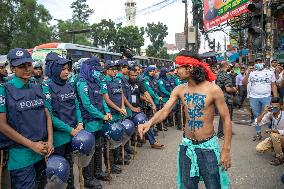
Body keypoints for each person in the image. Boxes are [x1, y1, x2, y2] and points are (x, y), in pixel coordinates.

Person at [138, 52, 232, 189]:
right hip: (187, 147)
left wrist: (226, 150)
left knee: (214, 186)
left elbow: (226, 119)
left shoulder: (213, 89)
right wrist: (149, 123)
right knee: (187, 186)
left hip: (208, 148)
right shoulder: (179, 89)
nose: (175, 71)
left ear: (190, 68)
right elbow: (165, 111)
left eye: (178, 67)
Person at [0, 48, 53, 189]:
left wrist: (50, 141)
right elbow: (2, 125)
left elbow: (46, 114)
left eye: (29, 65)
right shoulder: (4, 90)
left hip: (41, 150)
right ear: (12, 68)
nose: (27, 69)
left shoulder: (37, 87)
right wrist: (31, 145)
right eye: (21, 66)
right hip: (21, 155)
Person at [42, 53, 83, 189]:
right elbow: (50, 117)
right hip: (59, 138)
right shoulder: (46, 87)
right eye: (63, 69)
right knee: (58, 173)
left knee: (70, 166)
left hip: (73, 134)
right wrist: (70, 130)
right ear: (54, 69)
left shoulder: (69, 85)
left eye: (67, 69)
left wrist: (80, 123)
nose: (66, 72)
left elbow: (76, 105)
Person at [76, 57, 111, 188]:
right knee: (89, 150)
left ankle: (98, 172)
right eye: (96, 70)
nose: (98, 72)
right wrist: (101, 115)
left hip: (100, 121)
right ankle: (88, 179)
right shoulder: (82, 83)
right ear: (89, 69)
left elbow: (102, 99)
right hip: (89, 122)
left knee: (98, 148)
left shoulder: (96, 81)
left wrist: (107, 112)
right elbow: (86, 104)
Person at [243, 58, 278, 141]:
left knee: (269, 115)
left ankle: (273, 134)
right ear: (254, 64)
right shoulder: (251, 73)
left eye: (260, 61)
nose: (258, 63)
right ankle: (258, 133)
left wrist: (276, 97)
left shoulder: (269, 72)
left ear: (263, 62)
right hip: (254, 98)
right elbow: (244, 83)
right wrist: (248, 73)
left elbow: (273, 85)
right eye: (257, 62)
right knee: (257, 115)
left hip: (266, 97)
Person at [128, 68, 164, 149]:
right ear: (128, 75)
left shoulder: (140, 83)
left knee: (143, 120)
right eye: (132, 75)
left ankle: (153, 142)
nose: (134, 77)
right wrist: (131, 108)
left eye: (135, 75)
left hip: (137, 109)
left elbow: (146, 93)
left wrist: (153, 104)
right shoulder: (125, 83)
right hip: (127, 110)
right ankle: (133, 141)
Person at [255, 97, 284, 166]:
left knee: (274, 135)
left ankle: (280, 157)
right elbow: (257, 123)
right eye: (273, 106)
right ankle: (279, 149)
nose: (274, 109)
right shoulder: (270, 114)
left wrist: (273, 131)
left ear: (281, 106)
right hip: (275, 137)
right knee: (259, 148)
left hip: (281, 137)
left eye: (276, 107)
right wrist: (264, 112)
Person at [216, 61, 237, 139]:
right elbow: (228, 89)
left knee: (227, 116)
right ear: (227, 66)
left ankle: (228, 130)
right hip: (226, 99)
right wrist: (234, 89)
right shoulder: (225, 75)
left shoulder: (218, 74)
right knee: (225, 116)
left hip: (221, 97)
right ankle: (220, 133)